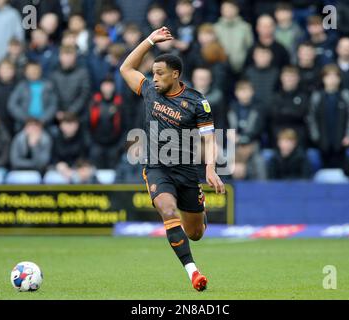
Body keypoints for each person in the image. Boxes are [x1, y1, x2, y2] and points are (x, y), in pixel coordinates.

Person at [120, 26, 225, 292]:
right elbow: (125, 69)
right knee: (167, 210)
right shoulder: (149, 91)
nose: (153, 78)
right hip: (156, 167)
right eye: (152, 73)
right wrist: (148, 41)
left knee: (195, 233)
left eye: (159, 73)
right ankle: (194, 273)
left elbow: (209, 139)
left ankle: (199, 213)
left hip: (187, 171)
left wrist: (210, 169)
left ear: (175, 74)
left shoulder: (197, 103)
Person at [308, 64, 349, 168]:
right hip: (323, 141)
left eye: (335, 76)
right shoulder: (317, 96)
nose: (332, 80)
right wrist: (315, 136)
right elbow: (311, 117)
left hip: (341, 141)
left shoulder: (345, 95)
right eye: (328, 76)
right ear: (323, 79)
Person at [227, 79, 267, 180]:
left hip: (253, 145)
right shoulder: (231, 107)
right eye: (241, 91)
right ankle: (222, 190)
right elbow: (225, 127)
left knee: (259, 162)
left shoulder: (259, 108)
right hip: (233, 145)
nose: (244, 94)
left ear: (252, 92)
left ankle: (262, 190)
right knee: (222, 160)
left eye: (247, 91)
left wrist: (242, 139)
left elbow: (259, 129)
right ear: (236, 93)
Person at [8, 62, 57, 132]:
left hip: (45, 124)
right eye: (30, 70)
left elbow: (53, 105)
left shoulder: (49, 85)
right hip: (23, 124)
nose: (33, 72)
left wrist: (43, 119)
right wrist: (25, 118)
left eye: (36, 70)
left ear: (40, 71)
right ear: (25, 72)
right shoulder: (21, 86)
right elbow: (12, 104)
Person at [269, 65, 309, 148]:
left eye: (292, 76)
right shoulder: (275, 96)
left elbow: (301, 114)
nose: (290, 79)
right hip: (277, 136)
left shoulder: (304, 96)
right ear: (281, 78)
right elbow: (275, 115)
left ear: (298, 78)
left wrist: (284, 111)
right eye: (287, 76)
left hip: (299, 137)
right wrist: (292, 112)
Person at [49, 45, 91, 123]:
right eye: (65, 55)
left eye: (70, 56)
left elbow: (84, 95)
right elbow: (52, 94)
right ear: (60, 57)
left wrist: (71, 112)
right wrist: (58, 111)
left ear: (75, 57)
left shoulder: (83, 73)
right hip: (58, 116)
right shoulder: (54, 74)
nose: (67, 59)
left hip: (79, 116)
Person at [214, 0, 254, 74]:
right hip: (223, 69)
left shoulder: (245, 27)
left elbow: (250, 47)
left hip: (242, 68)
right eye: (225, 8)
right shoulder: (216, 28)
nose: (228, 10)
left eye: (231, 8)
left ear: (237, 9)